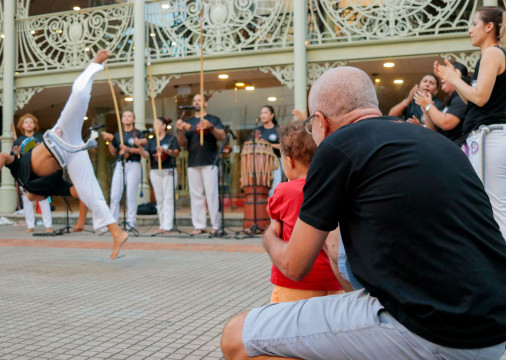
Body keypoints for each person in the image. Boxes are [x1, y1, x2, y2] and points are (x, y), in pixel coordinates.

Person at [221, 66, 506, 360]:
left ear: (319, 121)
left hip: (431, 331)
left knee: (237, 337)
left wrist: (269, 236)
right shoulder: (436, 142)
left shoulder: (337, 147)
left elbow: (294, 265)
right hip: (493, 328)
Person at [0, 50, 128, 260]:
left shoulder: (20, 173)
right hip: (72, 153)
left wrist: (10, 157)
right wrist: (80, 221)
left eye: (32, 199)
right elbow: (81, 194)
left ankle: (95, 64)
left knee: (77, 95)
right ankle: (118, 233)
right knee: (91, 192)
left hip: (60, 136)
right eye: (34, 199)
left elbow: (3, 157)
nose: (33, 199)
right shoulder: (51, 187)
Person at [435, 6, 506, 239]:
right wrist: (454, 80)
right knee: (493, 207)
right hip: (489, 137)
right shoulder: (490, 55)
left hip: (489, 136)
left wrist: (455, 78)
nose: (469, 30)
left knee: (493, 209)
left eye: (474, 24)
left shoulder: (493, 53)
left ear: (489, 27)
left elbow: (480, 98)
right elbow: (471, 101)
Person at [267, 120, 342, 304]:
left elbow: (274, 218)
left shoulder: (284, 190)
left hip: (295, 281)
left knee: (287, 327)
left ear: (289, 162)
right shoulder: (334, 187)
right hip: (335, 279)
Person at [175, 94, 225, 235]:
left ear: (205, 103)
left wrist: (211, 127)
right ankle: (199, 225)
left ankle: (216, 225)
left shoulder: (213, 119)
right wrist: (180, 130)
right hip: (193, 162)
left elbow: (222, 136)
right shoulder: (189, 121)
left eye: (199, 100)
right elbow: (182, 144)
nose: (196, 102)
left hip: (210, 161)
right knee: (196, 195)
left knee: (211, 194)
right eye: (195, 100)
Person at [102, 111, 145, 230]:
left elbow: (142, 151)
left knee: (131, 195)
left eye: (129, 116)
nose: (127, 118)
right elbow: (113, 152)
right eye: (124, 116)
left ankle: (130, 222)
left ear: (134, 119)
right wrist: (110, 141)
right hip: (120, 165)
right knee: (115, 194)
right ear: (122, 119)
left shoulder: (138, 134)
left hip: (134, 164)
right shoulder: (118, 135)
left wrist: (128, 149)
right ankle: (112, 222)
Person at [12, 114, 53, 233]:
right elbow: (13, 157)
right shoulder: (19, 140)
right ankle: (30, 225)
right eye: (26, 122)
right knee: (26, 199)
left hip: (39, 170)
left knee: (43, 198)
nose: (29, 124)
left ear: (35, 125)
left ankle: (48, 226)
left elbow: (49, 151)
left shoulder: (40, 137)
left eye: (31, 122)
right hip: (24, 171)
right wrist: (15, 153)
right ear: (22, 126)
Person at [139, 117, 180, 234]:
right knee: (159, 199)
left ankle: (168, 225)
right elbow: (146, 155)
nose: (154, 126)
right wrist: (140, 148)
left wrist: (165, 150)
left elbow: (176, 152)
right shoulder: (152, 140)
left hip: (168, 170)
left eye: (157, 124)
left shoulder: (171, 138)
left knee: (168, 198)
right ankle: (162, 224)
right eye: (153, 124)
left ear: (163, 126)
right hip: (155, 170)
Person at [414, 62, 469, 146]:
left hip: (459, 148)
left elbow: (446, 123)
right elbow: (433, 133)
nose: (441, 77)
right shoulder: (450, 100)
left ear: (457, 75)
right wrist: (426, 113)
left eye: (446, 73)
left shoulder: (462, 97)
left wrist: (429, 105)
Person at [253, 105, 282, 197]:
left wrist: (268, 144)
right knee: (263, 187)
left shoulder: (278, 129)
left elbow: (283, 146)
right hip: (261, 163)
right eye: (261, 113)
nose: (262, 115)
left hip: (276, 162)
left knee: (275, 187)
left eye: (265, 113)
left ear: (272, 115)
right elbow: (253, 145)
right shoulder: (258, 130)